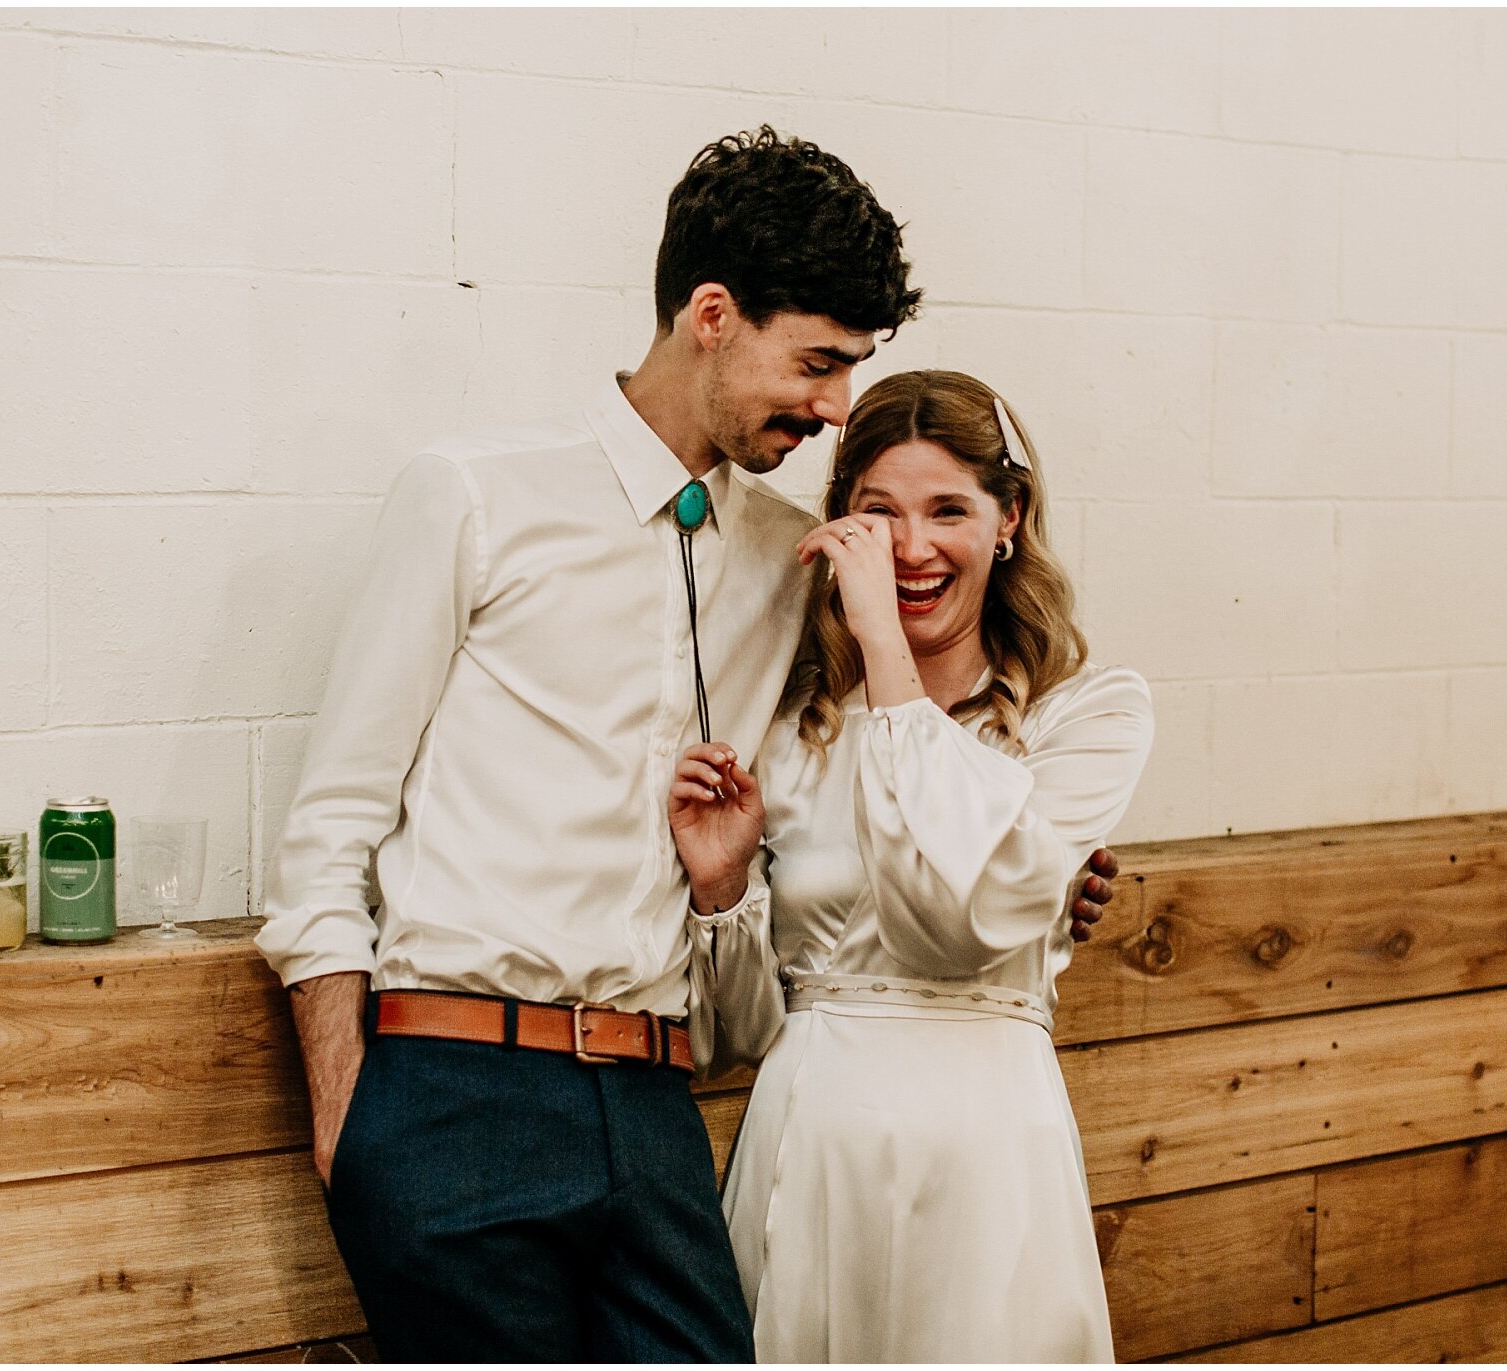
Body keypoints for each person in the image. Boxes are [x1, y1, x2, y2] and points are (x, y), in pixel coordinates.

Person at [259, 127, 1120, 1362]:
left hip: (657, 1101)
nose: (833, 411)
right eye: (816, 365)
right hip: (454, 1089)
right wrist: (351, 1121)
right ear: (710, 314)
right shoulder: (473, 497)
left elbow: (891, 757)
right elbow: (331, 826)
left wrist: (1039, 871)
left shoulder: (791, 559)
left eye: (850, 371)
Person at [669, 369, 1153, 1363]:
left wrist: (882, 649)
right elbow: (737, 1034)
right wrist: (721, 892)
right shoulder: (789, 728)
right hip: (812, 1146)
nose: (913, 547)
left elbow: (960, 917)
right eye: (877, 513)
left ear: (1007, 519)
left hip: (989, 1145)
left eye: (947, 511)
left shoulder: (1085, 717)